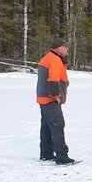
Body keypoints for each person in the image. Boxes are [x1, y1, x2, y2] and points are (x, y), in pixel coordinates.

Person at [37, 37, 76, 165]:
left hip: (44, 99)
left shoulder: (49, 58)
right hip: (50, 100)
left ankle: (46, 154)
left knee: (47, 127)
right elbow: (53, 81)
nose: (68, 49)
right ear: (59, 49)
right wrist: (57, 97)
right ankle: (62, 157)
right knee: (57, 126)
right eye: (66, 47)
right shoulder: (54, 60)